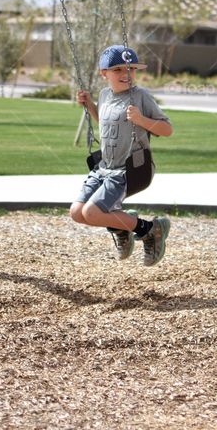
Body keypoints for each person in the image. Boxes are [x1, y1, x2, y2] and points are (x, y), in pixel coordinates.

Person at [71, 45, 174, 266]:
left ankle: (151, 230)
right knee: (77, 213)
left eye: (131, 69)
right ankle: (121, 225)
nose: (126, 75)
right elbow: (108, 124)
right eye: (118, 70)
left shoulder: (141, 96)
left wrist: (142, 120)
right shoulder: (105, 94)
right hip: (104, 168)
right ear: (104, 73)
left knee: (92, 212)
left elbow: (167, 129)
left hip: (130, 169)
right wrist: (90, 105)